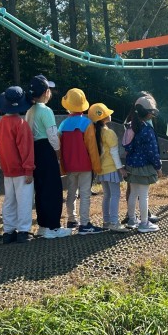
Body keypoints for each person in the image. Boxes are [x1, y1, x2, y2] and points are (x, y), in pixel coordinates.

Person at [25, 75, 72, 239]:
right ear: (46, 92)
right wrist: (58, 152)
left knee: (41, 189)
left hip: (35, 150)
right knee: (53, 188)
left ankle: (44, 226)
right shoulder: (46, 110)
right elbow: (52, 135)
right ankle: (53, 227)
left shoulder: (29, 111)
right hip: (46, 149)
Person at [58, 88, 104, 234]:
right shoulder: (87, 123)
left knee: (71, 193)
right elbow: (92, 148)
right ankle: (84, 224)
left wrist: (62, 165)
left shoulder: (63, 124)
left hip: (70, 165)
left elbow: (59, 146)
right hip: (85, 165)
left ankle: (71, 220)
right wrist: (97, 166)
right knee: (85, 194)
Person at [0, 87, 35, 244]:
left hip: (7, 169)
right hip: (21, 170)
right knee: (24, 200)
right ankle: (23, 231)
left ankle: (8, 231)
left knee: (9, 201)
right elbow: (26, 149)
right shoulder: (21, 124)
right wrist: (29, 169)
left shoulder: (1, 123)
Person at [123, 95, 162, 233]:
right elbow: (152, 151)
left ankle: (132, 220)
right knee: (144, 195)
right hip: (144, 167)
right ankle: (144, 223)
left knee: (133, 193)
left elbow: (126, 147)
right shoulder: (147, 129)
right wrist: (158, 167)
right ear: (148, 113)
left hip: (131, 166)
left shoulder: (130, 126)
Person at [89, 103, 129, 232]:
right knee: (115, 195)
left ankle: (106, 221)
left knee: (107, 195)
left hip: (102, 169)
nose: (110, 114)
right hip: (111, 168)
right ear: (103, 117)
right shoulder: (109, 133)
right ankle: (114, 222)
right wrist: (120, 168)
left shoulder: (95, 132)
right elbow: (114, 153)